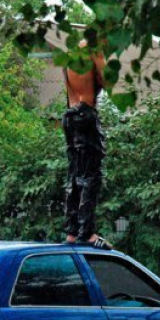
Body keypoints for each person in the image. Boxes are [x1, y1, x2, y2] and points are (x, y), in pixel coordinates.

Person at [62, 39, 112, 249]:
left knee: (75, 174)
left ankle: (73, 231)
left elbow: (69, 90)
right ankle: (87, 232)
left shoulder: (70, 54)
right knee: (92, 175)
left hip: (70, 115)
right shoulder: (94, 50)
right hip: (86, 114)